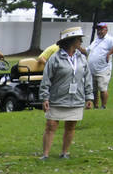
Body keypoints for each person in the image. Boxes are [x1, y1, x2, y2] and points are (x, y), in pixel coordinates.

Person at [39, 26, 93, 160]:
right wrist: (45, 97)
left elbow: (87, 78)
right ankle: (45, 154)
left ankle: (65, 153)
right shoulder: (55, 58)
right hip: (57, 97)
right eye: (79, 39)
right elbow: (46, 79)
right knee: (51, 125)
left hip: (76, 98)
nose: (81, 42)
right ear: (71, 41)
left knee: (71, 126)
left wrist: (89, 97)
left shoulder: (81, 58)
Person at [86, 22, 113, 109]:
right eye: (98, 29)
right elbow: (87, 51)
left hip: (103, 69)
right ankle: (96, 106)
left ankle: (103, 106)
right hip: (92, 69)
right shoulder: (96, 40)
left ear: (106, 30)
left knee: (102, 88)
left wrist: (109, 53)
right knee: (94, 90)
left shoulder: (109, 39)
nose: (99, 31)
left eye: (101, 29)